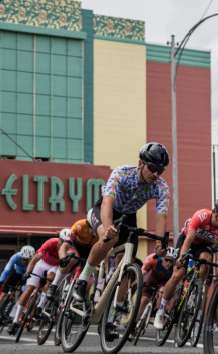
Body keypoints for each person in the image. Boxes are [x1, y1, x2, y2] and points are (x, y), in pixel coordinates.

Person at [70, 143, 170, 338]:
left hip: (128, 216)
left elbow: (161, 217)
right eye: (152, 167)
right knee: (109, 239)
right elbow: (108, 201)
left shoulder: (161, 188)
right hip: (105, 209)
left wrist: (160, 243)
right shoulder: (122, 173)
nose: (156, 174)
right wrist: (108, 229)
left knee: (127, 265)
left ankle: (109, 319)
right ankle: (83, 279)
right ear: (140, 163)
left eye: (160, 170)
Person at [153, 197, 218, 331]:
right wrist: (181, 258)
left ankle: (195, 292)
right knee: (177, 275)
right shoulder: (201, 216)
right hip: (187, 241)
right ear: (216, 211)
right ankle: (161, 310)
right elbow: (188, 240)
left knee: (207, 258)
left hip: (203, 246)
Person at [9, 236, 61, 335]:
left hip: (54, 267)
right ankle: (15, 321)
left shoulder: (68, 248)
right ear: (59, 241)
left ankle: (40, 307)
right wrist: (27, 273)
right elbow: (34, 260)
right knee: (29, 289)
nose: (61, 246)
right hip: (42, 263)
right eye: (61, 243)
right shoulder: (51, 242)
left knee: (50, 280)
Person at [0, 245, 35, 331]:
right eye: (23, 259)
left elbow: (31, 278)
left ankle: (14, 312)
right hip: (15, 274)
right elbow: (6, 271)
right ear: (21, 256)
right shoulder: (16, 256)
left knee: (24, 293)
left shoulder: (34, 262)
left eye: (28, 260)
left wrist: (24, 288)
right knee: (3, 295)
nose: (25, 261)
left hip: (25, 277)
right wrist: (0, 283)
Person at [52, 220, 99, 299]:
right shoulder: (79, 226)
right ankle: (54, 285)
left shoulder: (102, 230)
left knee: (89, 283)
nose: (96, 232)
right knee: (72, 258)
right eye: (93, 230)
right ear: (89, 225)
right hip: (76, 246)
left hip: (90, 250)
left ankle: (75, 303)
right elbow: (64, 246)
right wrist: (63, 258)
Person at [136, 248, 178, 326]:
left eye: (171, 261)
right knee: (144, 300)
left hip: (165, 281)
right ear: (162, 258)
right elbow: (143, 273)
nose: (168, 263)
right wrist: (136, 284)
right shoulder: (154, 260)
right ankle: (133, 324)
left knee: (161, 292)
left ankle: (156, 312)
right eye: (167, 260)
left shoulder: (174, 267)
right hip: (153, 278)